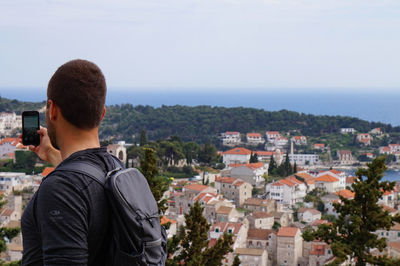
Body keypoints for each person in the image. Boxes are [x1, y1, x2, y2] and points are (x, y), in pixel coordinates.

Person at [20, 59, 118, 265]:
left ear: (52, 110)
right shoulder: (116, 169)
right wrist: (52, 155)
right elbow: (86, 177)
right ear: (101, 114)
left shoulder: (60, 189)